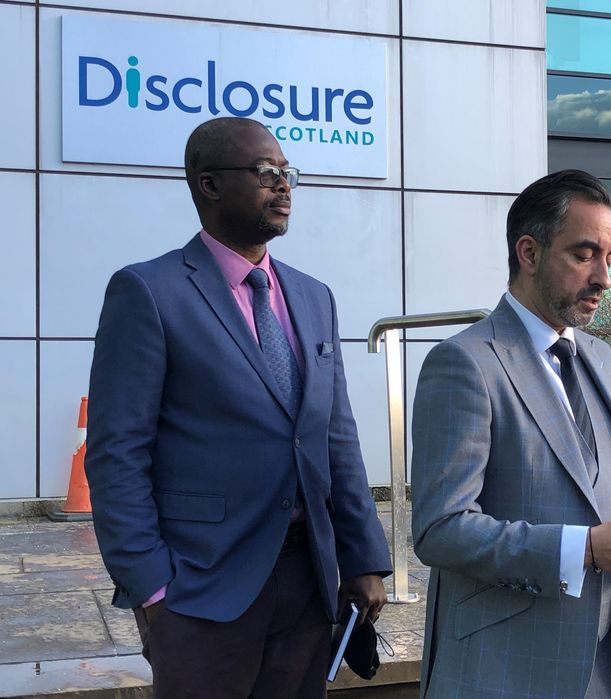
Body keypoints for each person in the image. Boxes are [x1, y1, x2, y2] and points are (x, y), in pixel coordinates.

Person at [85, 116, 392, 698]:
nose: (284, 186)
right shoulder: (149, 292)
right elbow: (116, 454)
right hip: (201, 588)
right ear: (209, 184)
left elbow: (335, 439)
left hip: (307, 583)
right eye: (265, 173)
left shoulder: (313, 296)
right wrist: (152, 589)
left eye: (287, 173)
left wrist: (363, 558)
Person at [410, 170, 611, 698]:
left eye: (610, 257)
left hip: (602, 670)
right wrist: (588, 549)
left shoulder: (602, 359)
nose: (604, 277)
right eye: (583, 255)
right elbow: (440, 529)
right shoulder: (464, 363)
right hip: (502, 671)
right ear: (529, 253)